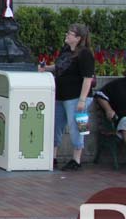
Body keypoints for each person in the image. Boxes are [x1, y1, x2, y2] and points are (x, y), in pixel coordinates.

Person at [38, 23, 95, 171]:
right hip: (61, 95)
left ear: (78, 38)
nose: (66, 35)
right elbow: (59, 67)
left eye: (70, 34)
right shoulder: (65, 51)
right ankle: (53, 157)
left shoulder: (85, 54)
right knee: (56, 125)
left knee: (77, 126)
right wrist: (46, 69)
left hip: (77, 97)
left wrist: (82, 100)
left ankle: (76, 159)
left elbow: (87, 78)